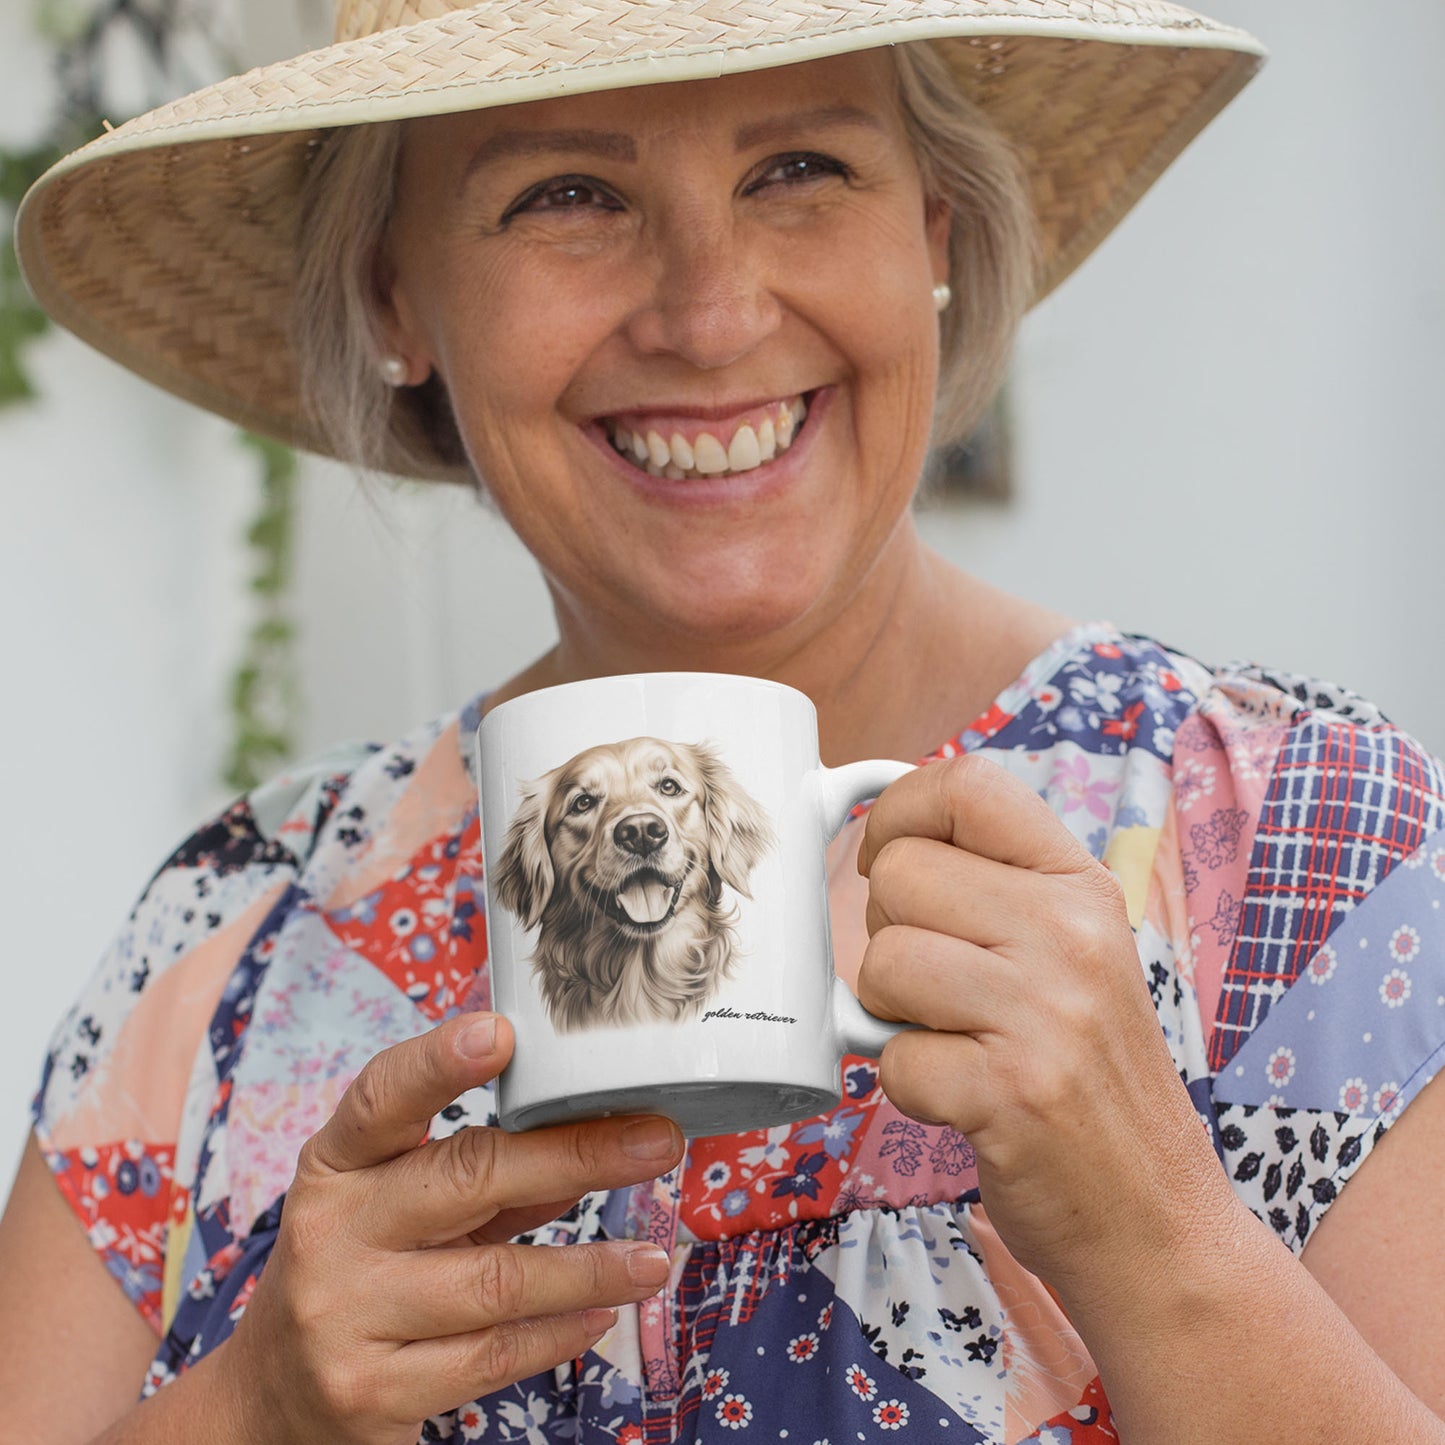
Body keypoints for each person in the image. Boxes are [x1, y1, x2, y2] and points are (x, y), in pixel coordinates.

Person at [1, 0, 1442, 1440]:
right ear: (396, 297)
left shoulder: (1295, 853)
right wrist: (256, 1408)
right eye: (567, 193)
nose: (710, 310)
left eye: (799, 170)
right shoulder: (239, 939)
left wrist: (1159, 1239)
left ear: (931, 231)